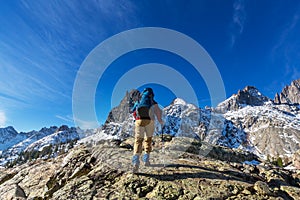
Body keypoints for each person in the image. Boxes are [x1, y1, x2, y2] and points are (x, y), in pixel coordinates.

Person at [131, 87, 163, 173]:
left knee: (138, 141)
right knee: (148, 140)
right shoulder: (153, 102)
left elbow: (132, 110)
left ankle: (135, 162)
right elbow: (159, 112)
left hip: (139, 121)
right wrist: (160, 121)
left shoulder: (139, 100)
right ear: (152, 95)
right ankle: (146, 161)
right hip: (150, 121)